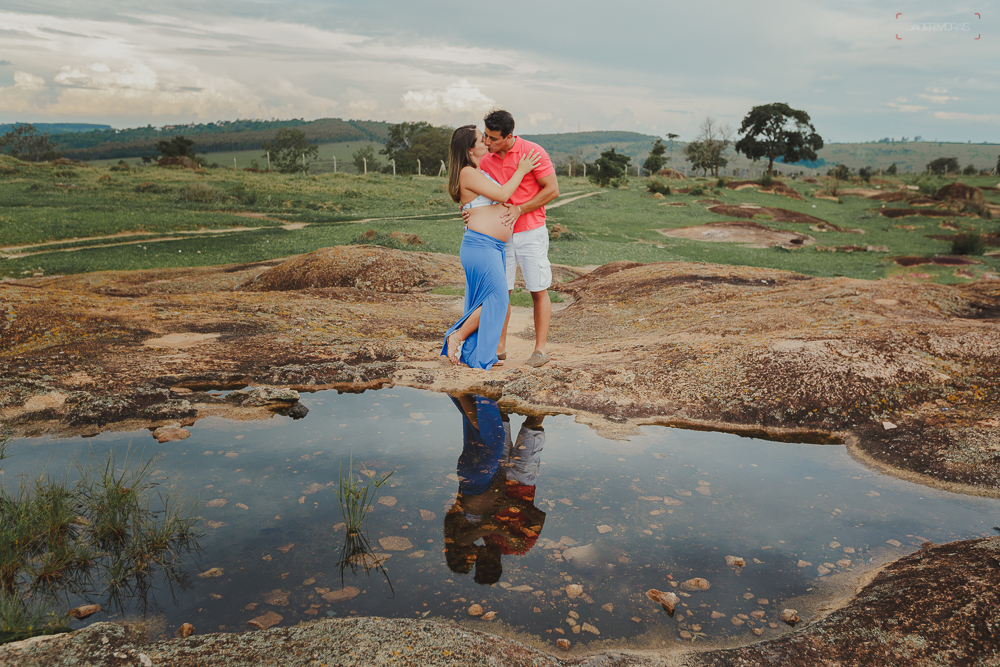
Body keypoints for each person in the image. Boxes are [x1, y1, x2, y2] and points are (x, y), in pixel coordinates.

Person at [442, 125, 539, 370]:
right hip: (481, 246)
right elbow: (504, 194)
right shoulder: (467, 172)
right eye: (480, 139)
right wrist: (522, 170)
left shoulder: (477, 171)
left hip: (492, 246)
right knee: (497, 299)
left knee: (489, 299)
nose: (486, 141)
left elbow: (484, 201)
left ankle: (476, 351)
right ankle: (457, 336)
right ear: (469, 149)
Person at [479, 109, 559, 368]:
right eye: (485, 136)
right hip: (501, 234)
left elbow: (552, 190)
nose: (486, 142)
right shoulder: (486, 160)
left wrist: (521, 208)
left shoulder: (533, 152)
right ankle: (499, 348)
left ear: (509, 136)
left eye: (492, 138)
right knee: (502, 291)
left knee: (537, 289)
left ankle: (540, 350)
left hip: (531, 231)